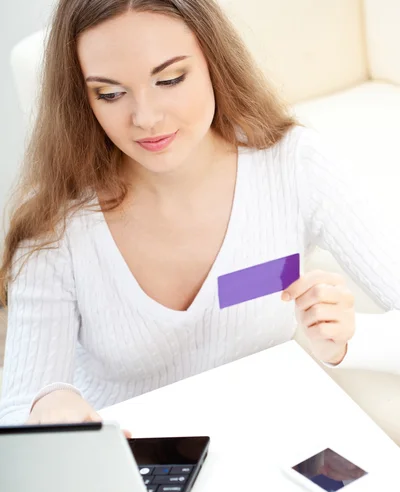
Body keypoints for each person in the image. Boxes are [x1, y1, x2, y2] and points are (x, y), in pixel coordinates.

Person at [0, 0, 399, 427]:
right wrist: (47, 407)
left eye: (170, 79)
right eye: (110, 93)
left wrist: (350, 339)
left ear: (213, 60)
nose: (146, 118)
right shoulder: (57, 224)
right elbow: (18, 411)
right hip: (133, 469)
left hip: (270, 442)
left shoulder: (293, 165)